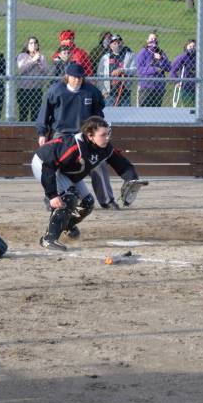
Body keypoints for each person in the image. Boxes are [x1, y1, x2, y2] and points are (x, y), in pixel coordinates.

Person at [36, 60, 139, 210]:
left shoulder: (90, 91)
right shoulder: (55, 91)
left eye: (80, 77)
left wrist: (97, 132)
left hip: (85, 135)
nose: (77, 80)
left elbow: (98, 114)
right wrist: (42, 133)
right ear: (67, 76)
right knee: (57, 165)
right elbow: (44, 113)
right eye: (74, 77)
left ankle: (107, 200)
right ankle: (53, 197)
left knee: (98, 163)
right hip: (62, 134)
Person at [32, 116, 144, 251]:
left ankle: (66, 225)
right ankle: (48, 239)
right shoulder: (74, 146)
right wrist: (52, 195)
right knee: (68, 198)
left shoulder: (104, 147)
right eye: (103, 135)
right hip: (44, 163)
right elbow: (49, 166)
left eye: (108, 133)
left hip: (65, 169)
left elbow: (121, 163)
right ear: (90, 136)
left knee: (88, 202)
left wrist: (131, 178)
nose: (107, 138)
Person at [169, 39, 203, 107]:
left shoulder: (202, 57)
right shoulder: (182, 57)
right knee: (188, 106)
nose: (192, 48)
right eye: (190, 46)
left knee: (198, 106)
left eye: (194, 46)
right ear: (186, 47)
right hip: (186, 86)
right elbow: (173, 69)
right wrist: (176, 81)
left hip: (199, 86)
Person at [97, 34, 135, 106]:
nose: (117, 45)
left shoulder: (129, 55)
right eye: (114, 43)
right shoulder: (105, 58)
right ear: (110, 45)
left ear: (122, 43)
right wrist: (103, 91)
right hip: (109, 93)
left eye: (119, 42)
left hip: (125, 93)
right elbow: (100, 75)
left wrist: (122, 70)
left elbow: (135, 70)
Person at [16, 36, 49, 122]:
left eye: (35, 43)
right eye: (31, 43)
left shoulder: (41, 57)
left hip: (36, 89)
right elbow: (21, 69)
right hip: (24, 90)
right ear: (27, 45)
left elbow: (46, 71)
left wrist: (39, 62)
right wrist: (33, 60)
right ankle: (22, 133)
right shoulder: (22, 56)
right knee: (23, 113)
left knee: (35, 113)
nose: (33, 45)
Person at [135, 32, 170, 106]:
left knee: (156, 112)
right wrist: (155, 69)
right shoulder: (143, 52)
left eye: (155, 39)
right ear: (147, 40)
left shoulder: (160, 52)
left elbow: (169, 68)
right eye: (151, 39)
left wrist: (161, 59)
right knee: (143, 112)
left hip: (159, 88)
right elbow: (139, 70)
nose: (153, 41)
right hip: (146, 87)